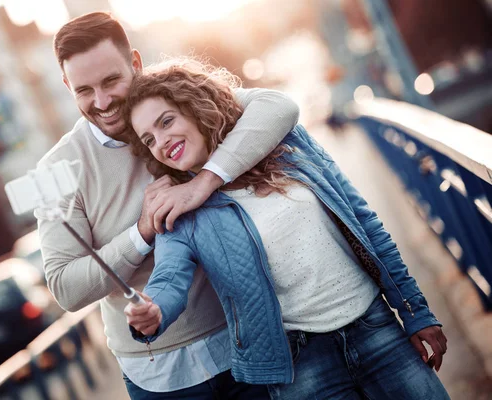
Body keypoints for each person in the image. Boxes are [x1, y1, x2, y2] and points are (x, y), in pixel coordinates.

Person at [123, 60, 450, 400]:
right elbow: (169, 277)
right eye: (150, 138)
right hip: (300, 366)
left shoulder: (284, 141)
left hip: (377, 328)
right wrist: (154, 312)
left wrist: (414, 310)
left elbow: (364, 221)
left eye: (167, 121)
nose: (161, 141)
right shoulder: (179, 210)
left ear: (193, 107)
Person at [35, 12, 300, 400]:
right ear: (66, 85)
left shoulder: (175, 100)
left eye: (111, 81)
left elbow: (278, 107)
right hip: (159, 378)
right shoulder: (54, 170)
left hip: (248, 340)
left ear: (136, 63)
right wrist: (141, 232)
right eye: (84, 90)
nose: (102, 102)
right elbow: (65, 288)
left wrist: (205, 181)